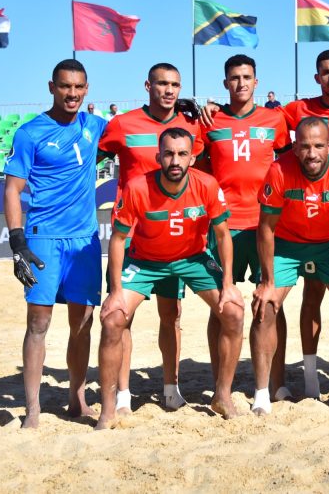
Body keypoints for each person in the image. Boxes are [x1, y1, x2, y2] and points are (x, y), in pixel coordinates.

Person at [95, 128, 244, 427]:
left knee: (233, 312)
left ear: (192, 157)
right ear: (158, 156)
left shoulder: (206, 184)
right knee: (112, 318)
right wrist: (114, 289)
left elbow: (223, 234)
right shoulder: (137, 187)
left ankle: (222, 395)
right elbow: (117, 239)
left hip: (192, 259)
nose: (175, 160)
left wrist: (228, 285)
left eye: (182, 154)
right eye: (169, 153)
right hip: (145, 261)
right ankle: (109, 409)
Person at [3, 58, 107, 428]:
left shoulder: (96, 126)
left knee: (83, 324)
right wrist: (17, 241)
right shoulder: (30, 133)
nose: (72, 94)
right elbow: (13, 189)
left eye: (79, 87)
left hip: (84, 241)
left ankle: (76, 398)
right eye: (65, 86)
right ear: (52, 87)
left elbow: (143, 136)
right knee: (38, 323)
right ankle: (32, 409)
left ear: (87, 89)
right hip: (43, 238)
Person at [97, 62, 205, 412]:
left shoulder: (190, 124)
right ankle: (124, 393)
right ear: (148, 86)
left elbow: (201, 167)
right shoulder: (122, 125)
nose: (169, 90)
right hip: (131, 235)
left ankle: (170, 386)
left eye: (175, 84)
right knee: (122, 315)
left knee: (170, 315)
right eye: (161, 83)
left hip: (173, 235)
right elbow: (90, 159)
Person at [251, 117, 329, 415]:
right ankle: (262, 394)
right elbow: (265, 228)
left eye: (318, 146)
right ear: (294, 147)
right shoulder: (279, 170)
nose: (312, 153)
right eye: (304, 147)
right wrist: (266, 281)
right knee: (264, 306)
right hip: (288, 245)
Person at [200, 55, 291, 400]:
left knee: (270, 304)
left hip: (266, 225)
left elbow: (287, 161)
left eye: (247, 77)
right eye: (234, 78)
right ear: (225, 83)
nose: (240, 83)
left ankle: (275, 381)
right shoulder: (211, 120)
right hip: (223, 227)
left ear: (257, 81)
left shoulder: (274, 119)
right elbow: (198, 163)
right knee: (221, 305)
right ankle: (220, 379)